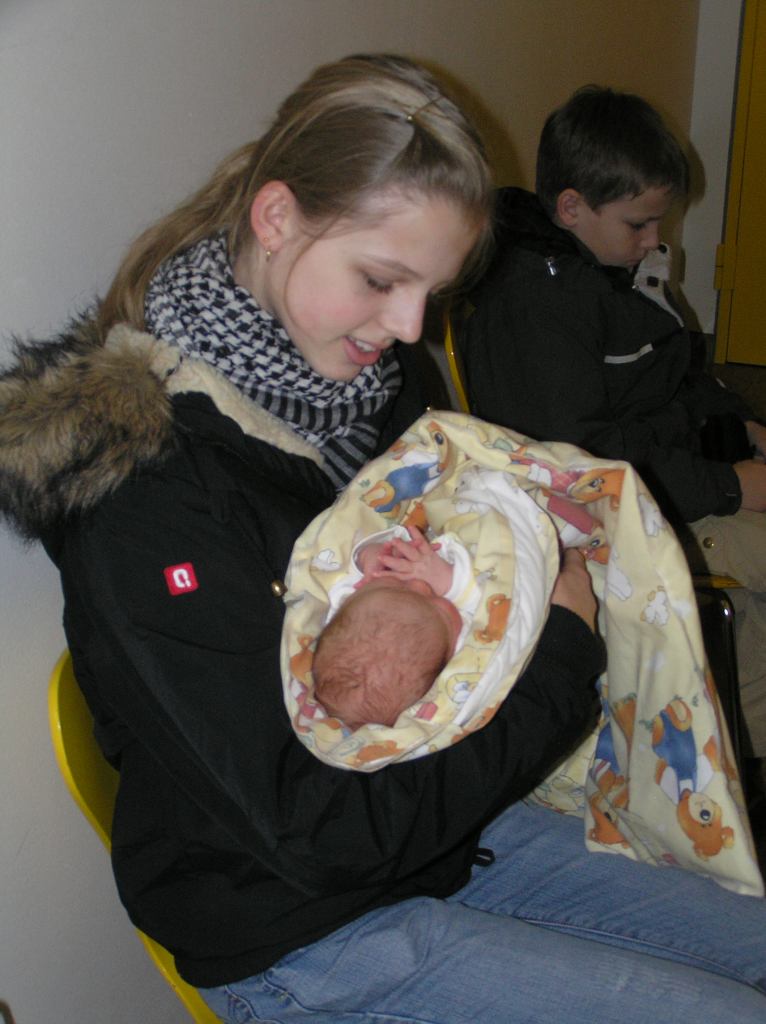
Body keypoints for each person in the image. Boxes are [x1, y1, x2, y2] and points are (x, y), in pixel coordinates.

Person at [1, 54, 766, 1023]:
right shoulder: (142, 490)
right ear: (275, 219)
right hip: (303, 927)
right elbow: (317, 834)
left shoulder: (365, 388)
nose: (408, 328)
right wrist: (560, 657)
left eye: (429, 291)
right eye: (380, 279)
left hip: (440, 828)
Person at [459, 85, 766, 764]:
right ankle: (720, 751)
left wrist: (742, 425)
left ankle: (737, 729)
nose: (654, 240)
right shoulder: (537, 309)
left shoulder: (605, 267)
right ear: (572, 208)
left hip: (673, 478)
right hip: (621, 519)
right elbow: (585, 473)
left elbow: (674, 366)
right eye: (639, 224)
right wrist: (731, 486)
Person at [312, 525, 475, 730]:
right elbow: (495, 603)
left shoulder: (350, 609)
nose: (419, 583)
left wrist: (370, 557)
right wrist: (450, 582)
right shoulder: (465, 650)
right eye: (432, 598)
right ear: (450, 653)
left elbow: (342, 576)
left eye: (398, 586)